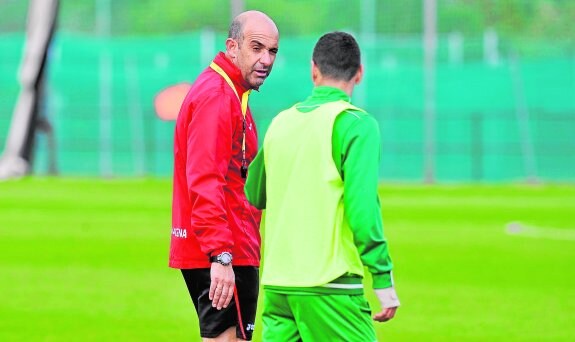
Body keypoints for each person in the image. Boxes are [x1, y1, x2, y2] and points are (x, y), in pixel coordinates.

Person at [245, 31, 400, 341]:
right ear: (359, 73)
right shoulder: (356, 124)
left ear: (313, 69)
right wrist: (382, 279)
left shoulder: (281, 123)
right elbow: (363, 210)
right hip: (330, 285)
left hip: (278, 286)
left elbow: (254, 193)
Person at [169, 11, 279, 342]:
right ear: (232, 47)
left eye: (272, 51)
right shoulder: (218, 96)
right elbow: (204, 179)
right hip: (223, 250)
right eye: (256, 48)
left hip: (228, 246)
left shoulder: (231, 92)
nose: (265, 60)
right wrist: (221, 255)